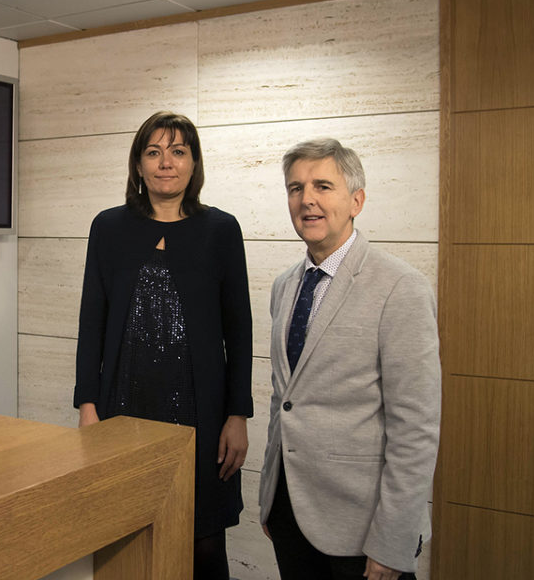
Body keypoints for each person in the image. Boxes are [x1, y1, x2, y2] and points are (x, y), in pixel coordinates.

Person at [74, 111, 253, 579]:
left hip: (203, 414)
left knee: (206, 545)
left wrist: (238, 414)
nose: (165, 163)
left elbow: (239, 329)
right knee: (125, 538)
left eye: (177, 151)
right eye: (153, 152)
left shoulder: (221, 230)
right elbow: (92, 319)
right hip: (123, 410)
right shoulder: (108, 227)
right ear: (138, 165)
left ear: (194, 164)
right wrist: (87, 404)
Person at [259, 138, 441, 580]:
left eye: (323, 185)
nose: (307, 200)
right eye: (295, 188)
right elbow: (285, 398)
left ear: (356, 200)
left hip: (363, 532)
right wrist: (271, 496)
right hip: (289, 514)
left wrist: (392, 542)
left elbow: (415, 429)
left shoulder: (401, 287)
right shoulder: (286, 285)